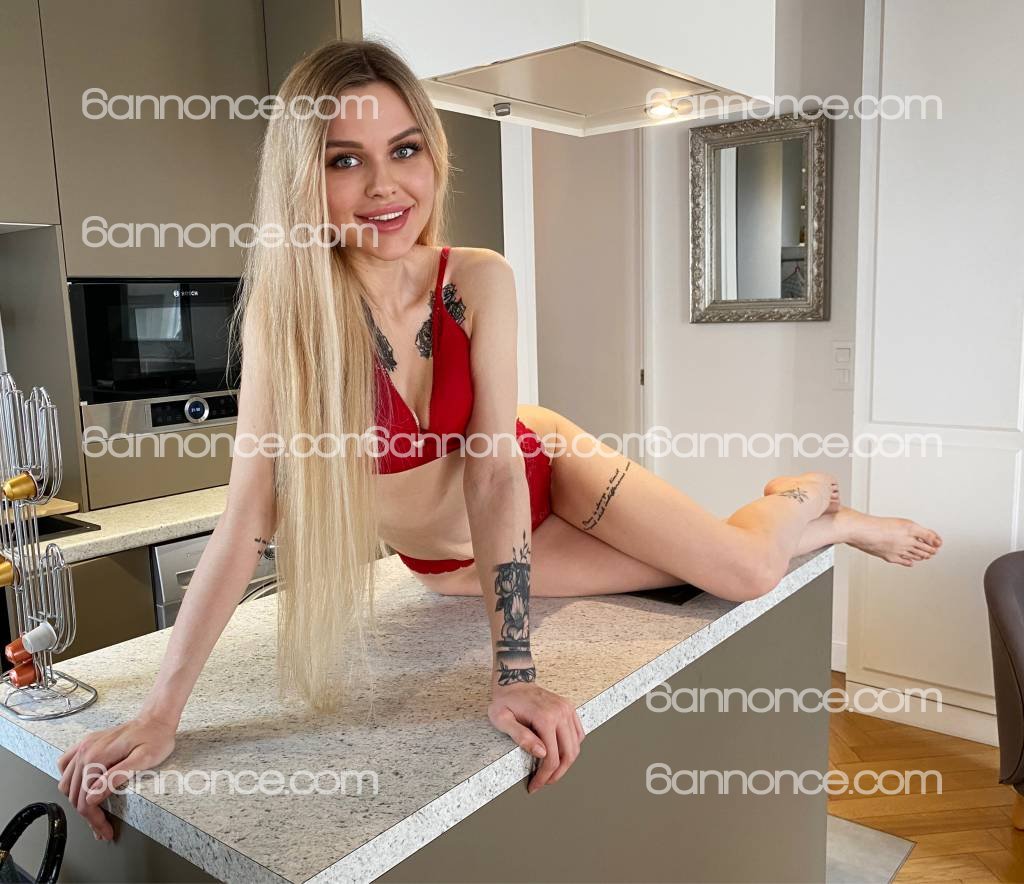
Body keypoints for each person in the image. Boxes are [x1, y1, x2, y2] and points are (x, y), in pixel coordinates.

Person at [56, 38, 942, 841]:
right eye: (345, 160)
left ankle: (805, 499)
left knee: (742, 574)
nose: (385, 187)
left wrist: (513, 671)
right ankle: (818, 526)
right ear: (303, 178)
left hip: (542, 469)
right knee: (688, 577)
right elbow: (247, 517)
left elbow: (490, 474)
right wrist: (162, 713)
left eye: (406, 149)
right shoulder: (288, 322)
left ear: (432, 156)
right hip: (453, 565)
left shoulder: (478, 278)